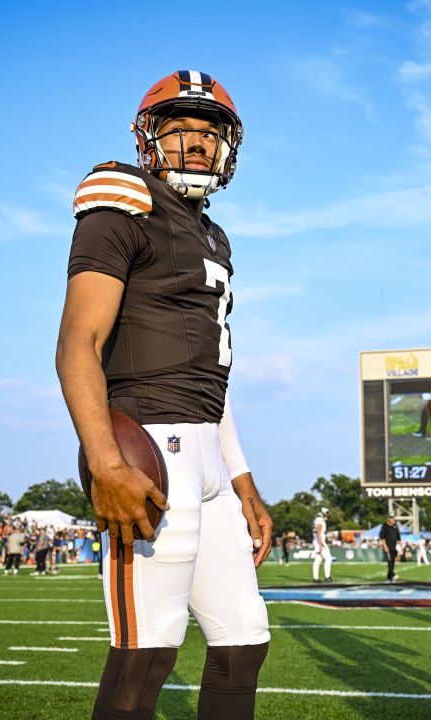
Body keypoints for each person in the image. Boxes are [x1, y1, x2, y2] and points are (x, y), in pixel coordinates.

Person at [55, 70, 272, 720]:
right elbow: (77, 343)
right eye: (182, 130)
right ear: (150, 137)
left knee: (243, 641)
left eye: (211, 134)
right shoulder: (125, 194)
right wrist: (106, 463)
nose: (199, 145)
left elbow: (209, 377)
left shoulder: (214, 236)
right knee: (143, 657)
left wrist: (243, 481)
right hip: (153, 447)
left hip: (208, 457)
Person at [313, 507, 334, 583]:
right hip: (319, 541)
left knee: (318, 560)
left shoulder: (317, 519)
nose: (327, 515)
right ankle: (327, 577)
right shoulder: (320, 520)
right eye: (327, 513)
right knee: (328, 558)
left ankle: (316, 578)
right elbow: (318, 533)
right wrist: (321, 544)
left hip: (317, 541)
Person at [379, 515, 401, 583]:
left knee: (393, 562)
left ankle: (389, 577)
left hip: (394, 547)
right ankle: (392, 575)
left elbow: (398, 537)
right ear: (388, 519)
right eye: (391, 518)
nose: (393, 519)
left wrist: (400, 546)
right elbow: (382, 537)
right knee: (389, 562)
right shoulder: (384, 526)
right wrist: (385, 546)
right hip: (387, 547)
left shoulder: (395, 526)